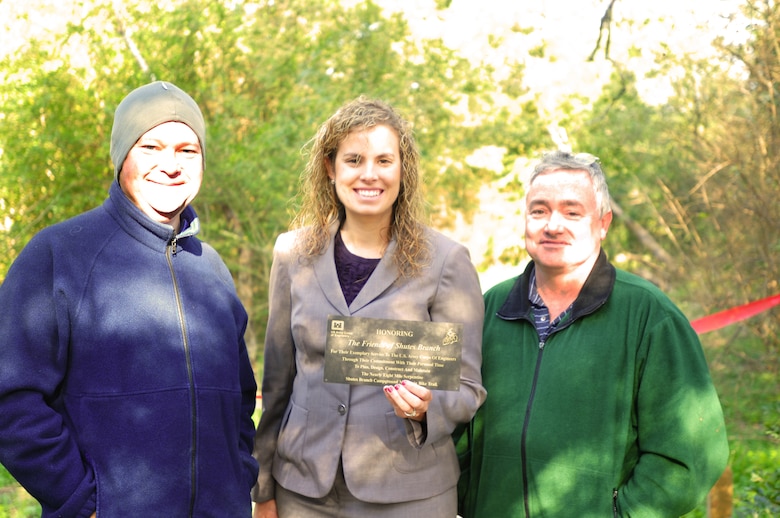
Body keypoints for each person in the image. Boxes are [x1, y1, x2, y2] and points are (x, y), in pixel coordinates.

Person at [0, 81, 259, 517]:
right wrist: (83, 501)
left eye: (187, 150)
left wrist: (240, 479)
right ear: (122, 156)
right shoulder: (59, 254)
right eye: (151, 147)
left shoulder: (211, 268)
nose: (170, 165)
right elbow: (10, 397)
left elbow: (239, 401)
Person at [457, 150, 729, 517]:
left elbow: (690, 453)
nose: (553, 225)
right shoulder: (491, 307)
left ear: (603, 223)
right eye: (539, 211)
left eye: (572, 212)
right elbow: (458, 427)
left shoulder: (650, 316)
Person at [251, 97, 486, 518]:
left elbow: (467, 386)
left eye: (384, 160)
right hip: (303, 492)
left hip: (409, 495)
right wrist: (263, 485)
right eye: (354, 159)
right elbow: (278, 384)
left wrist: (427, 406)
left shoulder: (446, 260)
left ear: (403, 169)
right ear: (330, 167)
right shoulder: (292, 254)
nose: (369, 174)